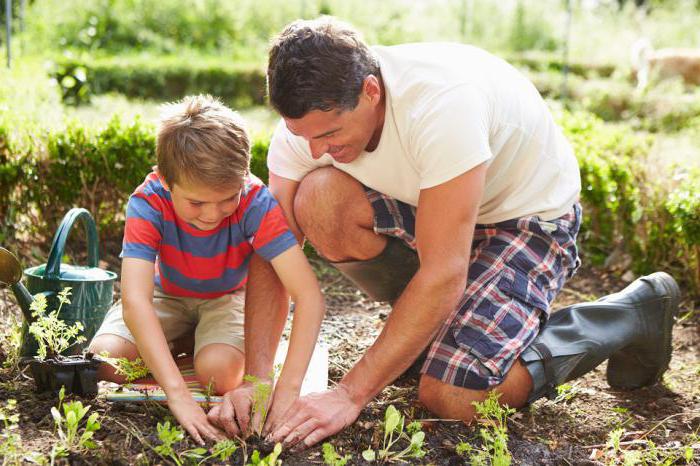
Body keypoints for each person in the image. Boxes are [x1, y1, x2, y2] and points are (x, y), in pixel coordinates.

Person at [214, 16, 682, 449]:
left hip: (524, 219)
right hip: (432, 208)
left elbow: (444, 270)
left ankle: (631, 314)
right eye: (304, 135)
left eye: (331, 133)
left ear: (371, 91)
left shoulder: (440, 105)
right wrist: (257, 380)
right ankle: (436, 331)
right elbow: (272, 255)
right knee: (318, 198)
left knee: (453, 394)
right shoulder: (307, 132)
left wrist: (349, 394)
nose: (318, 149)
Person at [89, 95, 326, 445]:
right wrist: (177, 394)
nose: (212, 214)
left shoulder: (255, 201)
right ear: (166, 182)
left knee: (219, 375)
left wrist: (285, 390)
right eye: (196, 202)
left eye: (227, 198)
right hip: (165, 294)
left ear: (243, 178)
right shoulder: (149, 200)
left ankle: (190, 343)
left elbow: (309, 297)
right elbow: (136, 301)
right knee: (105, 362)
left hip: (227, 298)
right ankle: (183, 341)